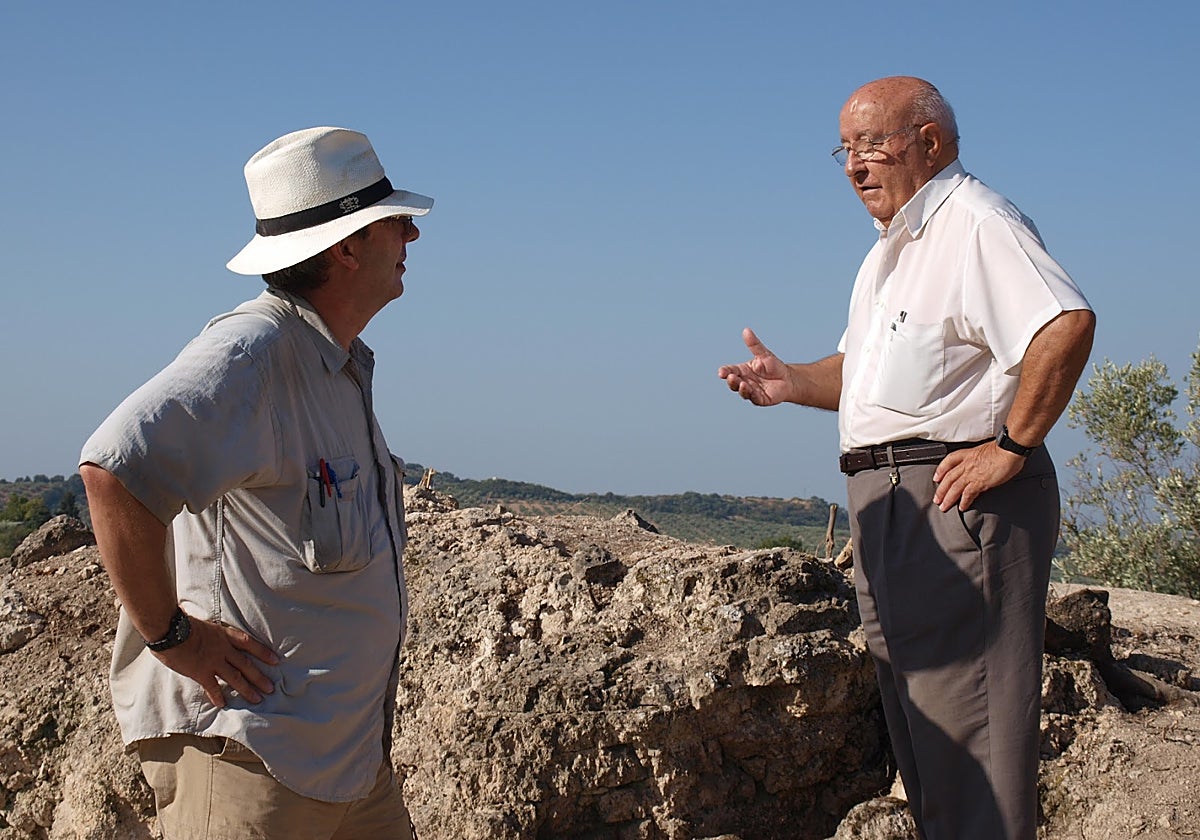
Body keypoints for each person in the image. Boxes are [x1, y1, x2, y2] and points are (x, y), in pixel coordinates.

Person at [718, 77, 1095, 840]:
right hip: (891, 510)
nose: (855, 165)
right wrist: (793, 382)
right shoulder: (892, 251)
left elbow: (1065, 325)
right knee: (930, 750)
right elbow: (868, 374)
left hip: (957, 506)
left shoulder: (976, 224)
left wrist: (1012, 448)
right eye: (844, 150)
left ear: (931, 142)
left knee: (974, 748)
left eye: (872, 144)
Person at [80, 126, 432, 839]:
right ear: (347, 246)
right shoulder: (254, 352)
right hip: (249, 764)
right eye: (394, 221)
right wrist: (173, 637)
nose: (411, 239)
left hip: (348, 766)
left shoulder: (331, 365)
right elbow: (114, 468)